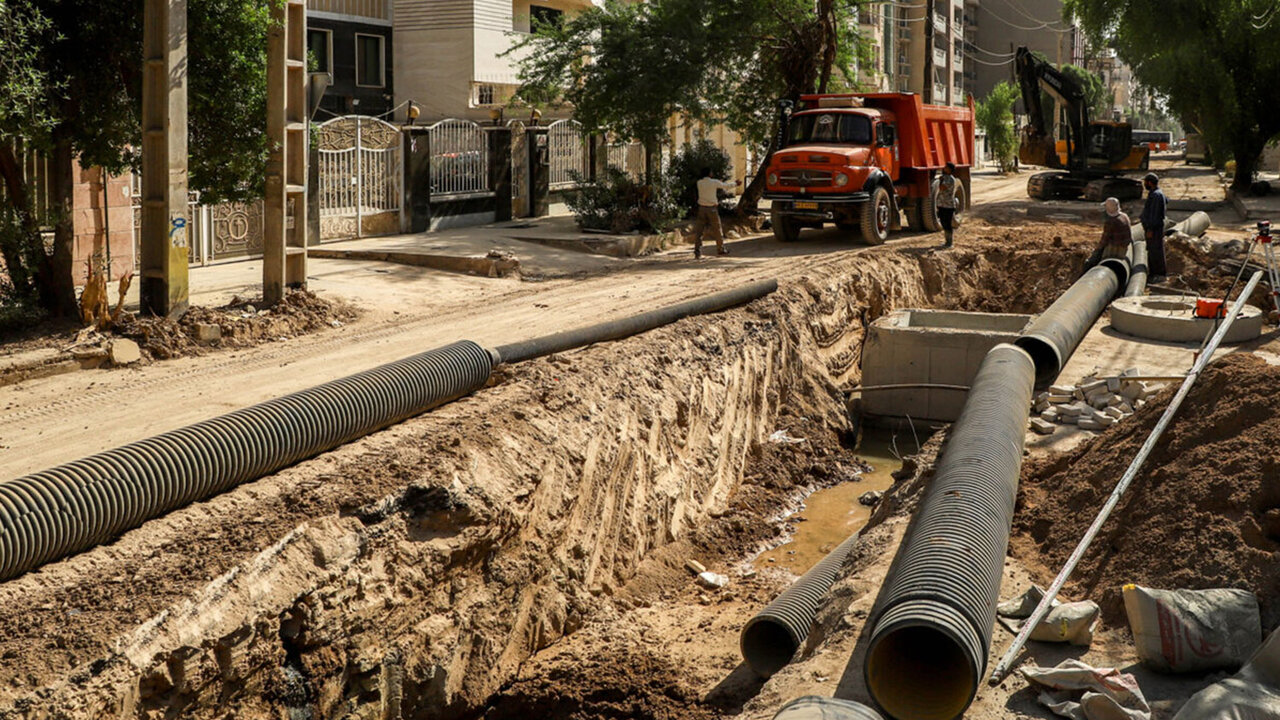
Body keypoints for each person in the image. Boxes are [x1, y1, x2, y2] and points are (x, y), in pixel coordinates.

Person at [692, 168, 741, 259]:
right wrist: (735, 184)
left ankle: (697, 251)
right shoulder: (714, 182)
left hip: (702, 208)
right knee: (717, 229)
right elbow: (726, 186)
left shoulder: (699, 183)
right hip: (712, 209)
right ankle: (720, 249)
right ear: (709, 174)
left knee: (699, 231)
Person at [1087, 197, 1132, 271]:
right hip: (1124, 247)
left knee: (1100, 260)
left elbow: (1104, 240)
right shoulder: (1124, 216)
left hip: (1115, 249)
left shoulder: (1111, 222)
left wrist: (1097, 251)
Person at [1140, 172, 1168, 279]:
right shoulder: (1157, 193)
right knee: (1153, 249)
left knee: (1155, 251)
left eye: (1145, 182)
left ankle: (1158, 274)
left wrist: (1150, 229)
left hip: (1154, 229)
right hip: (1155, 227)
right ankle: (1155, 272)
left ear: (1150, 183)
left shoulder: (1156, 195)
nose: (1144, 184)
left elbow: (1154, 214)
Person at [931, 162, 959, 247]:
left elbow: (942, 188)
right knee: (943, 222)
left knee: (947, 224)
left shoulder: (950, 179)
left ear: (950, 169)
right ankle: (947, 241)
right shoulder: (945, 177)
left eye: (946, 167)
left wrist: (940, 181)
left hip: (948, 205)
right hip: (943, 204)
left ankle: (949, 242)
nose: (944, 168)